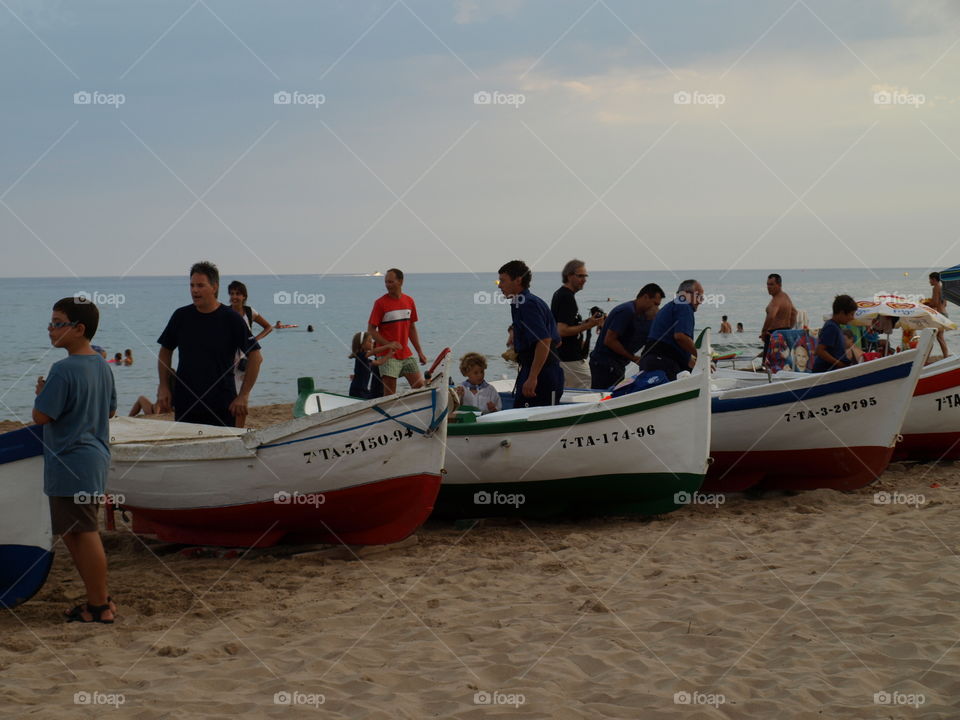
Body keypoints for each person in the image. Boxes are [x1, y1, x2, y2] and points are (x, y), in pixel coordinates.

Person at [32, 297, 117, 624]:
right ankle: (99, 598)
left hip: (70, 462)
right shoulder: (100, 364)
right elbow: (109, 410)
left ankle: (99, 605)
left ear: (79, 329)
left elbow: (41, 416)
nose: (51, 329)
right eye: (51, 323)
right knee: (76, 530)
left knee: (84, 532)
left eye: (57, 323)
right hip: (93, 460)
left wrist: (41, 393)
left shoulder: (63, 369)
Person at [157, 261, 263, 427]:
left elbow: (256, 357)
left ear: (214, 287)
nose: (194, 290)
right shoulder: (181, 316)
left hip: (221, 402)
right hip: (186, 402)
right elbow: (165, 350)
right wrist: (163, 386)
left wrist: (243, 396)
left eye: (200, 285)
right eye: (192, 285)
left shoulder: (231, 319)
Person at [498, 260, 563, 407]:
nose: (499, 285)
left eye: (503, 280)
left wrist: (533, 377)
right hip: (533, 369)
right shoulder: (519, 303)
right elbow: (557, 340)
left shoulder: (527, 304)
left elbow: (545, 340)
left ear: (518, 280)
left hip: (543, 374)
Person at [589, 284, 665, 389]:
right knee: (606, 398)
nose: (657, 308)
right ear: (645, 297)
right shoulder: (626, 311)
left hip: (618, 365)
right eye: (655, 304)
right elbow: (609, 340)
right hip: (605, 364)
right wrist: (633, 358)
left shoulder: (644, 316)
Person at [367, 268, 428, 395]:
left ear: (400, 281)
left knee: (420, 387)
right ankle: (389, 414)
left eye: (391, 282)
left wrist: (419, 352)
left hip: (405, 353)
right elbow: (371, 330)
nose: (388, 285)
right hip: (387, 355)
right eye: (386, 282)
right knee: (390, 393)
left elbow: (411, 328)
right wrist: (388, 344)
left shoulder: (409, 301)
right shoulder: (380, 303)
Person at [550, 259, 602, 389]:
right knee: (586, 392)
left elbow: (566, 324)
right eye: (580, 276)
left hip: (563, 357)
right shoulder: (566, 297)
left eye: (585, 276)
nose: (584, 279)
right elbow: (561, 330)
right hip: (570, 358)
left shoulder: (561, 294)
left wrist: (588, 322)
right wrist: (588, 326)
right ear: (569, 276)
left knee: (566, 393)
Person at [638, 279, 703, 381]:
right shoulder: (684, 306)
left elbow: (675, 344)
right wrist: (702, 356)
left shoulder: (670, 307)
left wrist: (695, 363)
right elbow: (681, 337)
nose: (700, 301)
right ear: (685, 294)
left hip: (650, 360)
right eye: (698, 296)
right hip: (663, 362)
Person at [228, 281, 273, 395]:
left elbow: (268, 327)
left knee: (243, 392)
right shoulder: (225, 313)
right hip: (229, 358)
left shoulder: (249, 312)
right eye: (232, 293)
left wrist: (255, 340)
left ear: (244, 296)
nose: (234, 297)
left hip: (247, 358)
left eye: (238, 294)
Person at [813, 295, 857, 372]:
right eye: (851, 314)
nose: (852, 318)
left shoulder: (836, 327)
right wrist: (839, 364)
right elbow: (820, 351)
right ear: (842, 313)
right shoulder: (831, 327)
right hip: (824, 372)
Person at [761, 273, 798, 362]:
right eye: (768, 284)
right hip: (784, 333)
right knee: (782, 363)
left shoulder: (776, 300)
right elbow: (794, 313)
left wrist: (764, 331)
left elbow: (771, 316)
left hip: (773, 334)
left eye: (772, 284)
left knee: (767, 363)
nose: (769, 287)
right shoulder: (785, 297)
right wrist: (788, 329)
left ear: (779, 285)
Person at [348, 332, 392, 399]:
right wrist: (388, 346)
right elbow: (374, 351)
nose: (372, 343)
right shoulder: (361, 355)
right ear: (362, 344)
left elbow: (379, 362)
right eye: (369, 341)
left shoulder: (366, 360)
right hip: (357, 392)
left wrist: (390, 354)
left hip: (364, 391)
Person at [928, 271, 950, 358]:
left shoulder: (935, 288)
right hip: (944, 313)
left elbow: (935, 303)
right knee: (939, 336)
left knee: (934, 336)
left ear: (934, 279)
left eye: (930, 280)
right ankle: (946, 356)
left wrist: (925, 304)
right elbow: (945, 304)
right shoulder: (942, 288)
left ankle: (926, 357)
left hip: (939, 314)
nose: (929, 282)